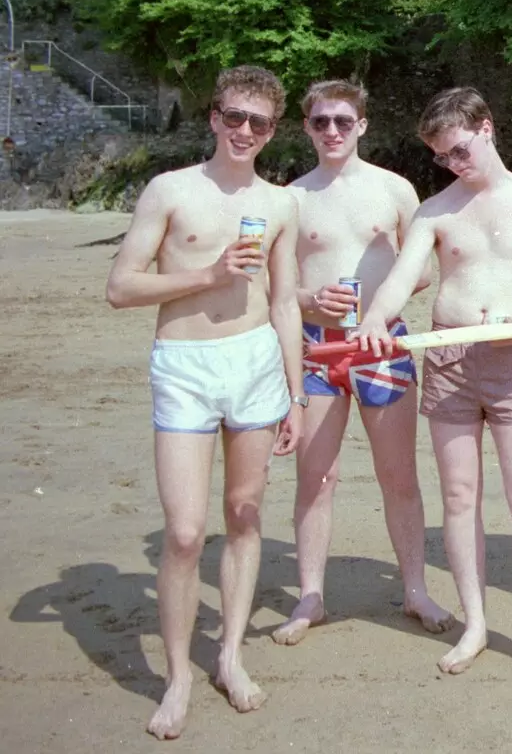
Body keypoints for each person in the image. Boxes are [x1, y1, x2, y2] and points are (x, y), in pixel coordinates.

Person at [105, 65, 303, 739]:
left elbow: (283, 302)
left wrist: (296, 393)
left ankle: (228, 655)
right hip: (185, 365)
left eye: (260, 122)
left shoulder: (280, 204)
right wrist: (208, 275)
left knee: (245, 517)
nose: (245, 131)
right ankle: (178, 676)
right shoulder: (170, 191)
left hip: (254, 364)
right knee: (185, 532)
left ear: (274, 131)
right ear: (214, 118)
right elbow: (121, 287)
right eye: (235, 117)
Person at [352, 87, 512, 691]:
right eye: (443, 157)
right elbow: (401, 280)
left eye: (460, 149)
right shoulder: (435, 211)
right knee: (458, 498)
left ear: (487, 127)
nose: (454, 162)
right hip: (446, 355)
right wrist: (375, 319)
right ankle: (475, 623)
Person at [272, 79, 454, 645]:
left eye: (343, 122)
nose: (332, 131)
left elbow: (422, 265)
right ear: (305, 127)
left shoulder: (395, 190)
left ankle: (416, 589)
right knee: (316, 476)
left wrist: (382, 307)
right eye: (321, 122)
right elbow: (273, 287)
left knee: (398, 473)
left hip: (381, 345)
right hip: (316, 347)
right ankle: (310, 595)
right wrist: (309, 300)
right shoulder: (291, 199)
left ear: (362, 127)